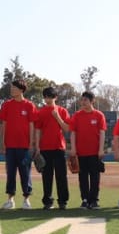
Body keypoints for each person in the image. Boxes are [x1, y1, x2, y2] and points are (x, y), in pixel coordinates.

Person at [0, 80, 37, 209]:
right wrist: (2, 143)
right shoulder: (6, 105)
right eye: (11, 87)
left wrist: (31, 144)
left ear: (21, 90)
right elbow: (3, 125)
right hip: (10, 146)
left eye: (14, 88)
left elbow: (32, 125)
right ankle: (10, 200)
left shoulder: (30, 105)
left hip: (25, 146)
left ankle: (26, 200)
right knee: (10, 173)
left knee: (25, 173)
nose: (11, 90)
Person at [69, 91, 107, 209]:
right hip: (81, 153)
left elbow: (102, 133)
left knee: (95, 178)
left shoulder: (99, 115)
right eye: (82, 100)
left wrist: (101, 149)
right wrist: (73, 148)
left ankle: (94, 200)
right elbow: (73, 133)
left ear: (92, 101)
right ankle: (85, 199)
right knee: (83, 178)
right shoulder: (76, 115)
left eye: (85, 100)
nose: (83, 102)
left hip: (95, 153)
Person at [35, 87, 70, 210]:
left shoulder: (62, 111)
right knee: (47, 176)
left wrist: (57, 117)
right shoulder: (41, 112)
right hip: (45, 148)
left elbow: (66, 128)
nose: (47, 99)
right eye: (45, 97)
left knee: (61, 175)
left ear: (55, 97)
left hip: (59, 147)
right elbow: (38, 130)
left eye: (49, 96)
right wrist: (37, 147)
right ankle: (47, 202)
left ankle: (62, 201)